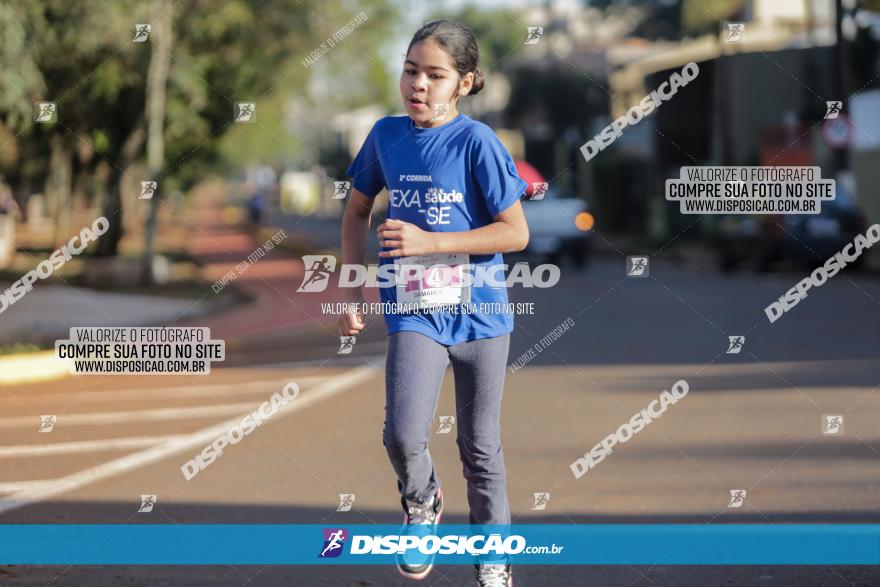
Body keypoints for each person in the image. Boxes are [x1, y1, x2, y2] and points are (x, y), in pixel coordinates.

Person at [338, 19, 529, 587]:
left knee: (481, 446)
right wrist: (352, 287)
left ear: (465, 83)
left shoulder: (478, 144)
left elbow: (515, 233)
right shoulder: (385, 136)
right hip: (415, 309)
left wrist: (432, 242)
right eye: (411, 70)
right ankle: (422, 504)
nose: (418, 84)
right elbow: (355, 212)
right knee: (401, 433)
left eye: (436, 75)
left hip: (482, 315)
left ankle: (493, 556)